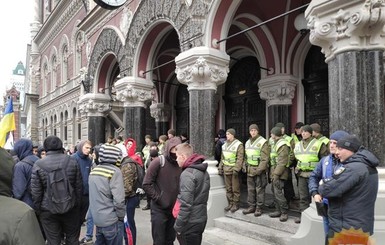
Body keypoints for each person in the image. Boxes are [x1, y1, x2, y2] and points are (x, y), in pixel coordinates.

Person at [318, 135, 378, 244]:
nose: (336, 152)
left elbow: (326, 190)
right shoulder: (366, 166)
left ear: (351, 150)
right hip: (357, 227)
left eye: (340, 149)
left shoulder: (353, 169)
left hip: (346, 230)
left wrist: (323, 183)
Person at [31, 135, 83, 244]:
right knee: (72, 239)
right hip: (70, 207)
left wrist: (38, 210)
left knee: (53, 241)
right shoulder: (72, 161)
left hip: (48, 210)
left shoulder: (38, 164)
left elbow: (36, 192)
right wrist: (76, 205)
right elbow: (78, 186)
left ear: (45, 147)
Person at [308, 130, 349, 244]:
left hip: (343, 209)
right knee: (329, 237)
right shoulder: (324, 160)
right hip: (326, 206)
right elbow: (313, 177)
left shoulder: (350, 162)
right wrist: (315, 193)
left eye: (335, 143)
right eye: (330, 142)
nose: (331, 145)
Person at [0, 146, 45, 244]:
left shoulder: (20, 165)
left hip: (26, 202)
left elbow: (18, 190)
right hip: (40, 204)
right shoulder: (39, 161)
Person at [142, 136, 182, 245]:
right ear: (169, 148)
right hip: (159, 209)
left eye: (178, 148)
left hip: (174, 210)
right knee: (159, 241)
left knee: (170, 240)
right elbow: (146, 184)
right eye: (174, 148)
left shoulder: (181, 163)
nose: (176, 151)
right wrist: (159, 198)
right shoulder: (159, 162)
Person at [88, 144, 126, 245]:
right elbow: (119, 200)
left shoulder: (94, 170)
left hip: (98, 220)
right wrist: (121, 217)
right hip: (111, 220)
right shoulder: (115, 171)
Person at [174, 143, 210, 245]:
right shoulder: (203, 171)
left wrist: (178, 226)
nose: (176, 160)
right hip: (201, 218)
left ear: (183, 156)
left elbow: (186, 204)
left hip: (190, 222)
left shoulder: (187, 174)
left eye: (177, 157)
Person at [293, 125, 328, 223]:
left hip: (314, 175)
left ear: (310, 133)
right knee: (303, 197)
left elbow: (324, 159)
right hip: (302, 174)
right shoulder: (298, 144)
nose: (303, 133)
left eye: (305, 131)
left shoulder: (319, 144)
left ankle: (318, 216)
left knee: (316, 196)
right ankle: (303, 216)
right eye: (302, 131)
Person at [242, 124, 269, 217]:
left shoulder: (263, 142)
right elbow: (246, 156)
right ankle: (251, 206)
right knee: (250, 189)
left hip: (258, 170)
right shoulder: (247, 142)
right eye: (251, 130)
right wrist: (244, 165)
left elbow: (265, 159)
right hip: (249, 169)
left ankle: (259, 207)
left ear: (258, 131)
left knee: (259, 189)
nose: (253, 132)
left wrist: (259, 170)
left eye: (254, 130)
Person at [218, 128, 244, 213]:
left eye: (229, 134)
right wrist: (220, 167)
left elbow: (240, 158)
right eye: (226, 134)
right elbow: (222, 158)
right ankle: (230, 203)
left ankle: (236, 203)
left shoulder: (238, 144)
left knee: (235, 188)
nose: (227, 135)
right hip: (226, 169)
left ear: (233, 135)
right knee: (228, 188)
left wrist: (237, 169)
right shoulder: (224, 145)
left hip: (233, 170)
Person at [80, 144, 102, 244]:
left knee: (95, 217)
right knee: (90, 217)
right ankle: (89, 236)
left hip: (98, 196)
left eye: (93, 152)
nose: (91, 153)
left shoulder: (99, 165)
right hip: (92, 194)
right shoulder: (92, 162)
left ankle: (95, 238)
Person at [72, 140, 93, 241]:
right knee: (74, 221)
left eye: (90, 148)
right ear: (80, 147)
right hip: (76, 195)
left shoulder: (89, 160)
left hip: (86, 195)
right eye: (86, 148)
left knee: (81, 220)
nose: (88, 150)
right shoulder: (73, 159)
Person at [268, 127, 290, 222]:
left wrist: (276, 174)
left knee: (278, 191)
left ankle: (284, 212)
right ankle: (278, 210)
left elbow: (282, 162)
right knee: (274, 190)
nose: (270, 135)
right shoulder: (276, 143)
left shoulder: (283, 144)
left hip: (280, 171)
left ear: (275, 134)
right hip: (274, 169)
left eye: (271, 133)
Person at [12, 138, 40, 208]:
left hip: (27, 206)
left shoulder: (20, 166)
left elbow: (18, 192)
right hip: (42, 204)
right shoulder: (40, 161)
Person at [275, 122, 296, 205]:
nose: (282, 130)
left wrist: (289, 163)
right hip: (276, 165)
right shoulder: (272, 139)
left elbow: (293, 153)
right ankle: (277, 202)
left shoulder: (289, 139)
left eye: (283, 128)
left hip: (286, 166)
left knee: (287, 184)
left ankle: (288, 200)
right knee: (277, 187)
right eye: (280, 128)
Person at [142, 143, 159, 211]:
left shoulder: (160, 160)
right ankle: (148, 204)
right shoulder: (149, 160)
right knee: (149, 193)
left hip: (157, 179)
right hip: (150, 178)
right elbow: (146, 167)